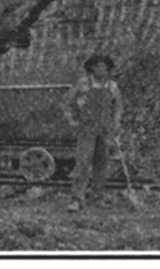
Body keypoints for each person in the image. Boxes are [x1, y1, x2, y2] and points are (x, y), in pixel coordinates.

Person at [61, 53, 124, 211]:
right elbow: (67, 102)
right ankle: (77, 199)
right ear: (91, 68)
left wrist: (116, 122)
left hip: (105, 129)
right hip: (87, 129)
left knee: (101, 165)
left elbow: (118, 106)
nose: (101, 69)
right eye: (97, 66)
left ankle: (98, 197)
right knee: (83, 163)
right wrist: (72, 120)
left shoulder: (112, 86)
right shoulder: (84, 84)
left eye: (104, 66)